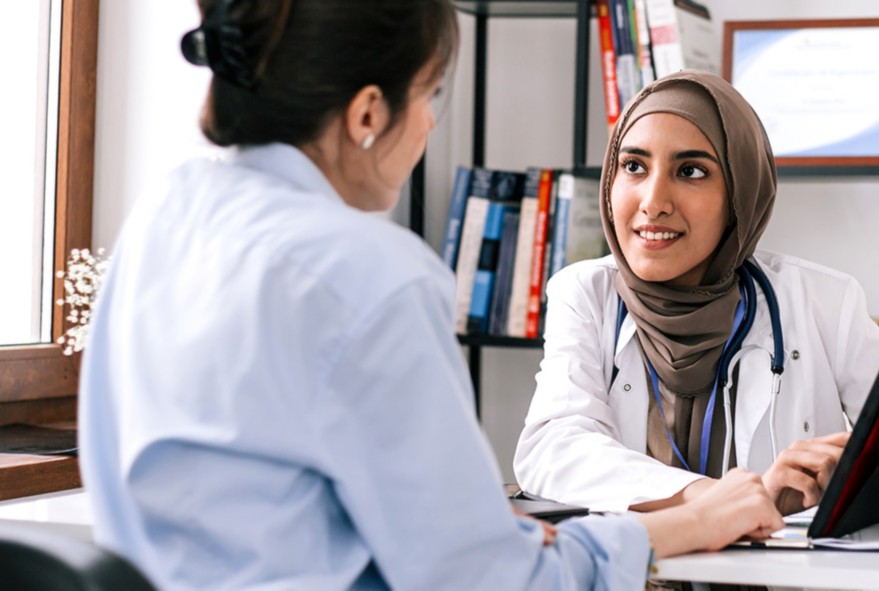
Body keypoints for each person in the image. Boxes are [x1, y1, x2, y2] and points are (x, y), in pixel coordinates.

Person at [77, 2, 782, 589]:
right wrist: (685, 524)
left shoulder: (164, 216)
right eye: (429, 94)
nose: (431, 124)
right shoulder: (369, 271)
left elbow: (273, 493)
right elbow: (489, 582)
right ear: (366, 114)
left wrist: (489, 531)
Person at [514, 71, 879, 516]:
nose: (653, 202)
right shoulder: (585, 293)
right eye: (634, 166)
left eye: (691, 171)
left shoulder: (823, 300)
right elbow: (554, 447)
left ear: (742, 189)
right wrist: (732, 498)